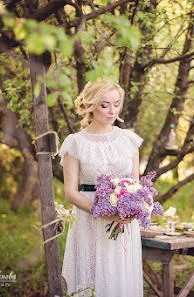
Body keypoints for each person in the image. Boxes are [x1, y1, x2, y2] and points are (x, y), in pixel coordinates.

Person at [58, 79, 144, 297]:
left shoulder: (128, 140)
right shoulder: (75, 143)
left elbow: (136, 183)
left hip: (123, 222)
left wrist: (132, 209)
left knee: (119, 277)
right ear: (90, 105)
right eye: (104, 105)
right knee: (91, 278)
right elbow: (70, 192)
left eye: (116, 104)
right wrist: (103, 211)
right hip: (89, 219)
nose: (111, 111)